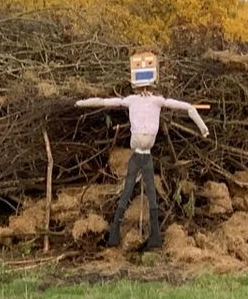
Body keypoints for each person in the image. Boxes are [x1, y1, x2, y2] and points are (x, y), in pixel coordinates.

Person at [75, 50, 209, 250]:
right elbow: (105, 102)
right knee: (127, 192)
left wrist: (202, 126)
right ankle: (114, 236)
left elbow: (187, 107)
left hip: (146, 157)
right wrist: (82, 103)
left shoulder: (157, 100)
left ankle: (155, 238)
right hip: (136, 155)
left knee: (152, 195)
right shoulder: (132, 100)